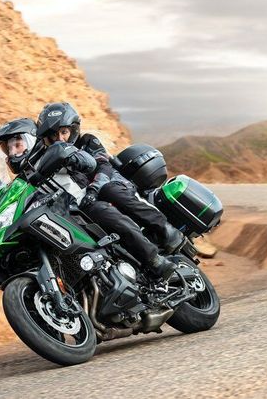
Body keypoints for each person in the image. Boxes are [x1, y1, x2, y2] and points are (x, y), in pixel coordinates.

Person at [36, 103, 179, 280]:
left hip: (113, 183)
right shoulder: (53, 158)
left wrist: (94, 190)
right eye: (54, 135)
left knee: (108, 191)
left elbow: (103, 166)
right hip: (88, 199)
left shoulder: (87, 141)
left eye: (64, 132)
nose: (60, 139)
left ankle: (164, 234)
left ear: (73, 129)